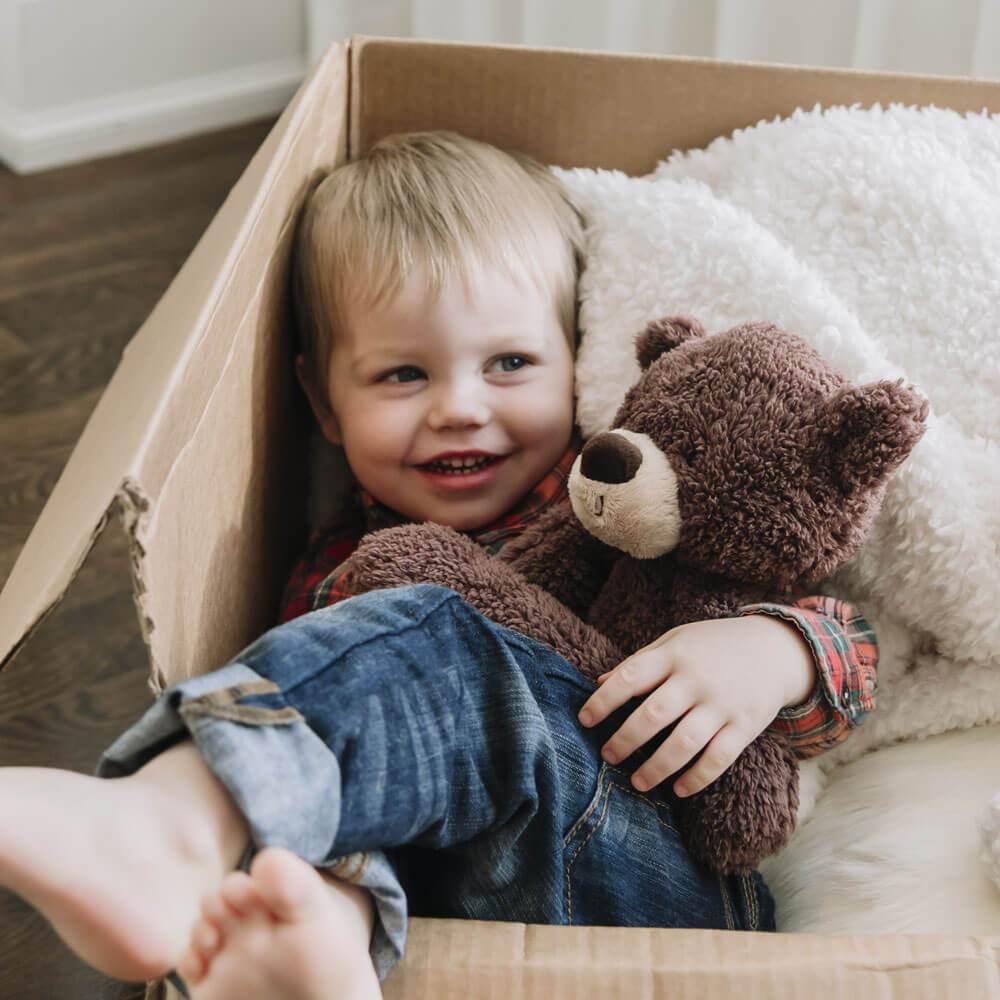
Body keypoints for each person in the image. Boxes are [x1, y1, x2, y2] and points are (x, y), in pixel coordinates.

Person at [0, 132, 877, 1000]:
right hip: (450, 904)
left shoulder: (625, 508)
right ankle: (323, 945)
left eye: (510, 363)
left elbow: (859, 651)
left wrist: (770, 656)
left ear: (574, 363)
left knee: (438, 641)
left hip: (654, 870)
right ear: (321, 401)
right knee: (343, 755)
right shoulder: (335, 568)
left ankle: (171, 823)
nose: (461, 408)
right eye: (402, 375)